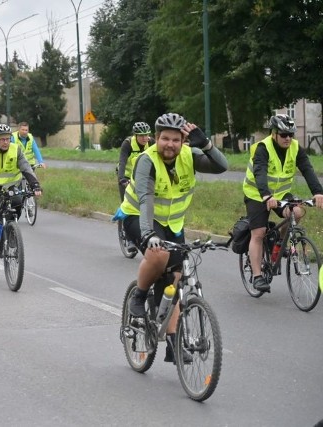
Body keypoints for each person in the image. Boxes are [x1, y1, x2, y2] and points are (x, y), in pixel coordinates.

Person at [117, 113, 227, 364]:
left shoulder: (189, 155)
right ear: (156, 139)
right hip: (139, 217)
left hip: (173, 223)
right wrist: (148, 235)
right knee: (158, 255)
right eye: (165, 138)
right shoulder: (147, 160)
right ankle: (139, 296)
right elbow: (145, 200)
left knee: (173, 280)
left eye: (176, 139)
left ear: (182, 140)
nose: (170, 144)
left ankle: (172, 342)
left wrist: (206, 145)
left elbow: (222, 167)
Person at [242, 114, 323, 293]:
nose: (288, 138)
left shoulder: (295, 148)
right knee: (259, 233)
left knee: (297, 212)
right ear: (274, 133)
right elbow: (260, 172)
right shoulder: (262, 148)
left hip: (281, 194)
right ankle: (257, 276)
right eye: (284, 134)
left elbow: (307, 169)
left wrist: (318, 192)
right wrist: (265, 195)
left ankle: (279, 243)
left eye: (291, 134)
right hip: (257, 194)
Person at [0, 124, 42, 271]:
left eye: (7, 139)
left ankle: (11, 233)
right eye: (2, 139)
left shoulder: (16, 149)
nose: (5, 142)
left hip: (10, 188)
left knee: (17, 207)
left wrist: (35, 185)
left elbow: (26, 168)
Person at [116, 122, 153, 253]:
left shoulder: (151, 142)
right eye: (141, 135)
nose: (145, 138)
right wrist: (121, 179)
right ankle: (129, 239)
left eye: (147, 135)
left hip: (143, 178)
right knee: (128, 206)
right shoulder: (128, 144)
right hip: (126, 177)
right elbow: (122, 161)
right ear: (135, 135)